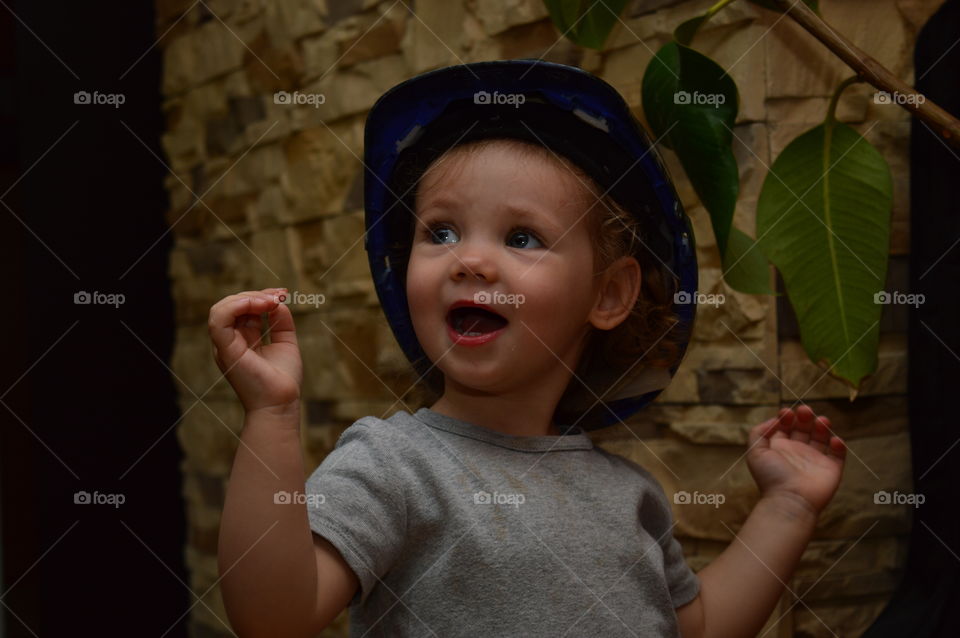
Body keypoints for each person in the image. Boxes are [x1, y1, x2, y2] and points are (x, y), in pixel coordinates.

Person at [209, 60, 847, 638]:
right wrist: (271, 416)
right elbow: (274, 618)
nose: (471, 260)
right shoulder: (393, 466)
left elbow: (700, 628)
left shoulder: (630, 495)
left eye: (521, 237)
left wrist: (787, 507)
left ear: (609, 294)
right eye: (442, 231)